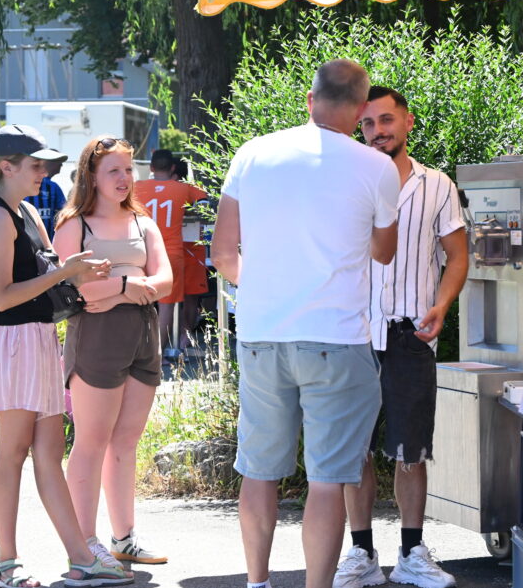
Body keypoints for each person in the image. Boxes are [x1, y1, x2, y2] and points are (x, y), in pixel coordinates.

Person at [210, 59, 400, 588]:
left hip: (262, 335)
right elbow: (385, 252)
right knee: (326, 480)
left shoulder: (253, 153)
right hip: (336, 338)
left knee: (259, 471)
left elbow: (222, 252)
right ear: (360, 111)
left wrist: (265, 289)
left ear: (310, 99)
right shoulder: (376, 168)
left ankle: (256, 582)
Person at [0, 124, 131, 588]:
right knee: (13, 451)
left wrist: (76, 272)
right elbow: (2, 298)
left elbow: (44, 274)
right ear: (7, 167)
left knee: (49, 452)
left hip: (36, 336)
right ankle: (7, 565)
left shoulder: (24, 212)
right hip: (11, 340)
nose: (45, 173)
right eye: (36, 165)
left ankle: (82, 558)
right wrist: (66, 273)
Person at [334, 87, 468, 588]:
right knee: (355, 451)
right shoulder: (345, 182)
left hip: (412, 333)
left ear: (408, 122)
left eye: (386, 120)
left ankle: (412, 553)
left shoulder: (438, 186)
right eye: (368, 123)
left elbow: (458, 256)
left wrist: (442, 305)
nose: (377, 131)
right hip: (353, 332)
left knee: (411, 450)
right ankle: (361, 553)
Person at [53, 136, 173, 568]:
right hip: (97, 337)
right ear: (92, 175)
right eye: (113, 171)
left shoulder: (143, 223)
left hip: (142, 334)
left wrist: (118, 291)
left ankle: (124, 538)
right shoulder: (74, 225)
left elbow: (166, 282)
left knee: (126, 442)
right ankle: (84, 545)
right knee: (91, 442)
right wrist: (127, 285)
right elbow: (75, 290)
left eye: (128, 169)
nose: (124, 178)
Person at [134, 149, 207, 351]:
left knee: (139, 302)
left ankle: (139, 352)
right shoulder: (184, 188)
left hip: (141, 251)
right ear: (173, 167)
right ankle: (158, 355)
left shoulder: (137, 186)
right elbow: (205, 206)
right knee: (167, 305)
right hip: (171, 253)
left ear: (151, 167)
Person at [171, 157, 209, 345]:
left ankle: (183, 336)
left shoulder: (192, 189)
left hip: (190, 247)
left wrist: (183, 213)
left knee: (190, 295)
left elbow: (204, 210)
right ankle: (181, 336)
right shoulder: (167, 190)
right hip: (182, 247)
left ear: (173, 172)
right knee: (182, 296)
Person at [25, 158, 67, 240]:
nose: (61, 165)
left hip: (48, 243)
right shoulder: (52, 187)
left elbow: (64, 214)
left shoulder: (53, 187)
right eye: (59, 161)